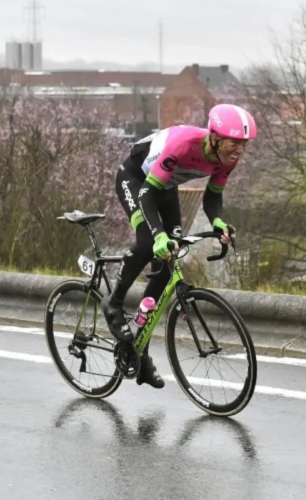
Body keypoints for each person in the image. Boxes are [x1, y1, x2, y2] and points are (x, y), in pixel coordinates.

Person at [101, 103, 256, 389]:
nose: (239, 151)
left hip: (165, 186)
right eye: (235, 144)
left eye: (244, 145)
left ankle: (140, 351)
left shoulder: (228, 158)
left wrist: (218, 222)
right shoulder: (183, 144)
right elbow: (147, 193)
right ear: (215, 138)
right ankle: (114, 302)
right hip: (137, 181)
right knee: (149, 242)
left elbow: (212, 197)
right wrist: (158, 235)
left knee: (168, 263)